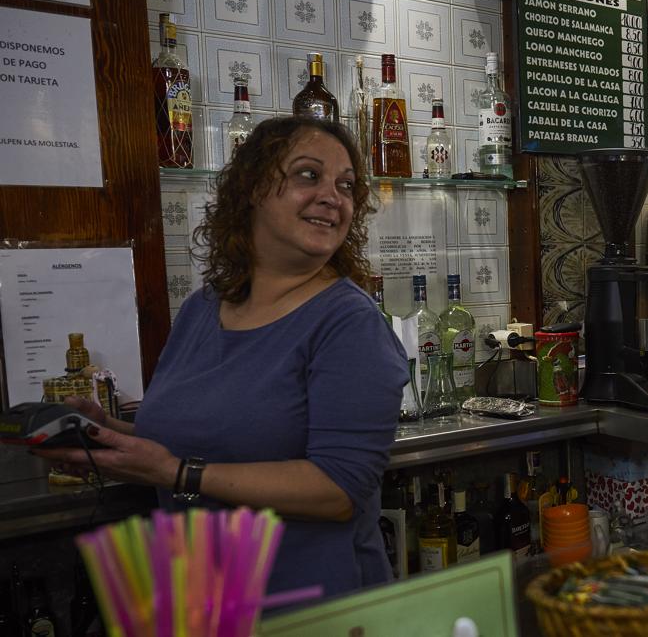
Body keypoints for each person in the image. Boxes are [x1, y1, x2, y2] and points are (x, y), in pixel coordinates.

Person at [38, 117, 409, 598]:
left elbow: (338, 490)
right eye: (307, 174)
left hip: (308, 608)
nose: (333, 196)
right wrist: (105, 438)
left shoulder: (347, 323)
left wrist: (174, 474)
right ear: (253, 187)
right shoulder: (204, 307)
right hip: (202, 599)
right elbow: (207, 436)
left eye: (346, 185)